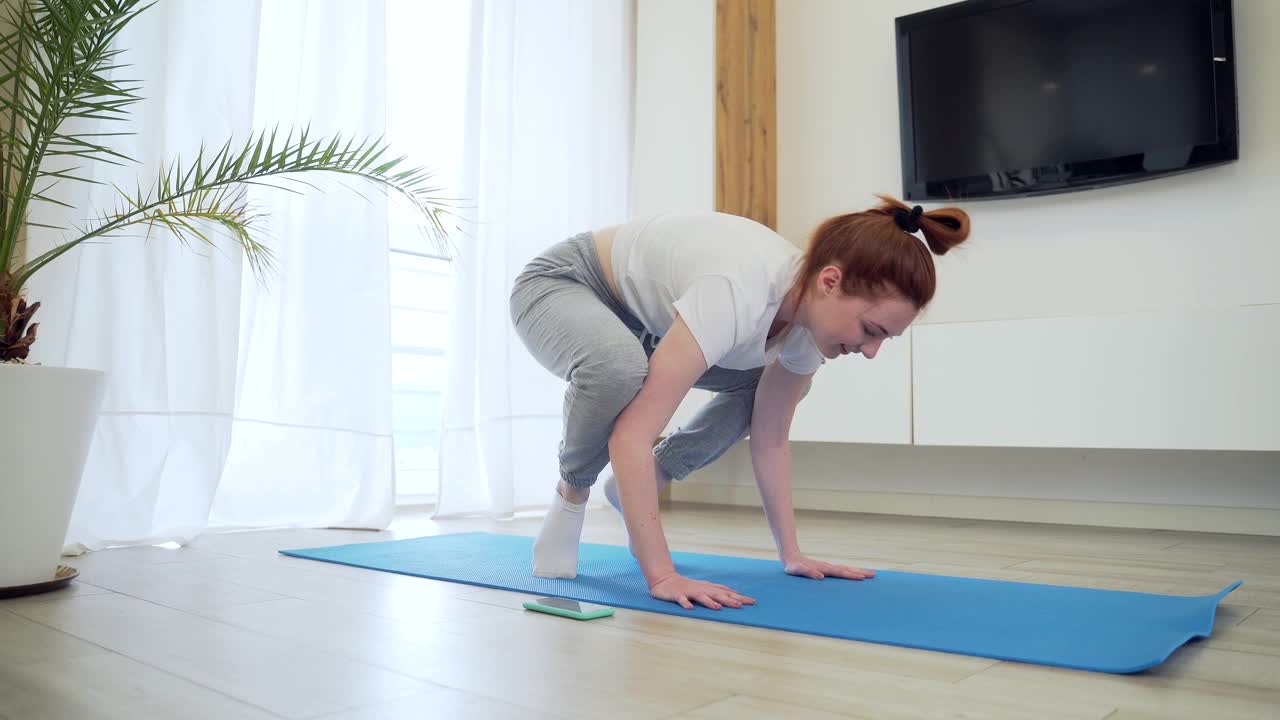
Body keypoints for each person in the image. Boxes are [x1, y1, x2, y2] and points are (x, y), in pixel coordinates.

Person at [508, 195, 970, 610]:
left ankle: (656, 472)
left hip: (647, 324)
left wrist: (791, 554)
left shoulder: (810, 328)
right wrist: (662, 576)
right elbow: (632, 434)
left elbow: (769, 440)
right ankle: (571, 495)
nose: (871, 352)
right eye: (871, 332)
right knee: (617, 367)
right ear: (830, 281)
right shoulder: (736, 289)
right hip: (566, 283)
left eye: (884, 340)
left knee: (758, 387)